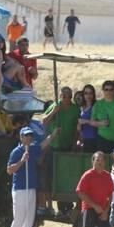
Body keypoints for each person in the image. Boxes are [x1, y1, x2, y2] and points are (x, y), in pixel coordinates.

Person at [6, 126, 56, 227]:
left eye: (30, 135)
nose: (29, 138)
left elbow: (44, 144)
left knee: (28, 219)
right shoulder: (16, 152)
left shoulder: (33, 149)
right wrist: (22, 161)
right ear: (21, 137)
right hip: (20, 189)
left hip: (31, 188)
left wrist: (54, 133)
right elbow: (9, 170)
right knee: (19, 218)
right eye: (26, 135)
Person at [41, 86, 80, 214]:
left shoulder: (75, 109)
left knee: (66, 175)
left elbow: (76, 128)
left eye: (69, 96)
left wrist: (75, 143)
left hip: (68, 146)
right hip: (55, 147)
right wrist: (54, 112)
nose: (66, 99)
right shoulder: (55, 106)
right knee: (53, 175)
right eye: (63, 96)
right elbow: (44, 121)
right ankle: (52, 205)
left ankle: (66, 205)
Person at [76, 151, 114, 227]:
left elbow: (110, 194)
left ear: (105, 162)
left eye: (102, 160)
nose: (99, 162)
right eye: (97, 160)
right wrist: (94, 206)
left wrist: (106, 211)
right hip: (89, 209)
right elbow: (80, 193)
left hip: (103, 211)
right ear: (93, 161)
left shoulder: (107, 176)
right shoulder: (88, 175)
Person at [90, 80, 114, 153]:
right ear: (103, 90)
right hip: (103, 139)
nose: (109, 92)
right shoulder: (98, 105)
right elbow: (92, 122)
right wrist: (101, 123)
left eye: (111, 89)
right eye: (106, 89)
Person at [77, 84, 98, 153]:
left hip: (94, 138)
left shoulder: (97, 106)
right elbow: (79, 125)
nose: (88, 95)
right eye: (86, 93)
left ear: (93, 94)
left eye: (90, 93)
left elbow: (100, 122)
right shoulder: (81, 107)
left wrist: (85, 121)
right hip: (84, 139)